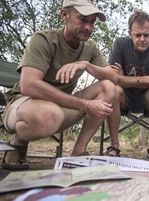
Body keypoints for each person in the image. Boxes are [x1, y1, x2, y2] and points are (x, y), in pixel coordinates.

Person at [1, 0, 120, 170]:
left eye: (92, 22)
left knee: (108, 87)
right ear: (64, 14)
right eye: (83, 19)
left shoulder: (90, 47)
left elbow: (114, 77)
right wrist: (85, 104)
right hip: (23, 103)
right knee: (50, 114)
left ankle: (78, 152)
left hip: (61, 108)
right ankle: (18, 142)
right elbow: (29, 86)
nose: (88, 27)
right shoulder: (42, 39)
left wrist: (85, 65)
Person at [105, 9, 149, 159]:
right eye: (137, 35)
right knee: (114, 90)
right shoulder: (120, 44)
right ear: (129, 34)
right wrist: (147, 80)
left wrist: (123, 79)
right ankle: (114, 146)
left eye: (147, 35)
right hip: (123, 99)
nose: (142, 39)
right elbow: (113, 79)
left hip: (147, 99)